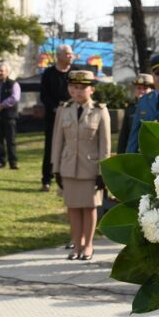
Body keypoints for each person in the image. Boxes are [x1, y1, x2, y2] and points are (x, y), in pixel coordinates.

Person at [51, 70, 110, 261]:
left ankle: (88, 245)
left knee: (90, 207)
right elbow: (57, 141)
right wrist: (56, 168)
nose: (77, 91)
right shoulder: (64, 109)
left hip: (90, 168)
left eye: (82, 87)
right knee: (73, 207)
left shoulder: (100, 111)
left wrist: (103, 172)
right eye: (74, 87)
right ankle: (76, 245)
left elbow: (105, 145)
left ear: (92, 89)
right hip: (68, 167)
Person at [39, 44, 79, 191]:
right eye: (67, 54)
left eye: (71, 54)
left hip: (73, 117)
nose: (71, 56)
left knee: (72, 147)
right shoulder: (48, 73)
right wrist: (56, 108)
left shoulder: (76, 73)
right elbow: (44, 95)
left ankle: (68, 177)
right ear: (59, 56)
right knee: (51, 147)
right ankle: (46, 179)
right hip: (53, 117)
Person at [0, 62, 21, 170]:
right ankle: (1, 161)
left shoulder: (13, 84)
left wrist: (1, 105)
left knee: (11, 140)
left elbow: (15, 98)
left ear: (7, 72)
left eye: (2, 71)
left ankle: (13, 162)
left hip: (9, 116)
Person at [117, 73, 153, 155]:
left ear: (152, 90)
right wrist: (120, 155)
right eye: (139, 88)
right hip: (134, 152)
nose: (141, 91)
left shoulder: (157, 108)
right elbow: (124, 135)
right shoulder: (130, 108)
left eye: (145, 88)